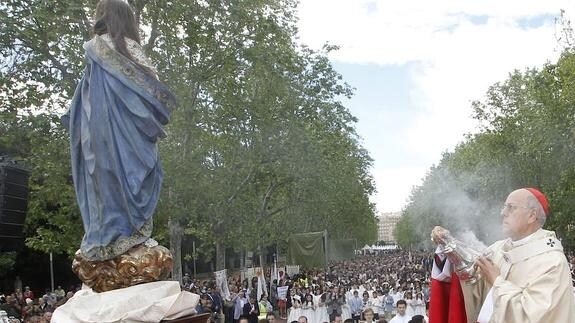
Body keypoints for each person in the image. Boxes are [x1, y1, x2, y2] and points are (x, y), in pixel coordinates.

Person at [62, 0, 175, 261]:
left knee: (104, 184)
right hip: (128, 137)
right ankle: (130, 235)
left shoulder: (94, 52)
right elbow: (154, 91)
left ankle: (105, 238)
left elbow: (81, 103)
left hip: (96, 135)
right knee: (135, 178)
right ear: (127, 21)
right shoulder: (128, 48)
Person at [431, 188, 575, 323]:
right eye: (504, 206)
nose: (503, 213)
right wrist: (450, 247)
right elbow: (474, 280)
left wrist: (497, 281)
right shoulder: (498, 248)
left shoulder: (552, 262)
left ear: (532, 215)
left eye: (511, 207)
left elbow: (533, 316)